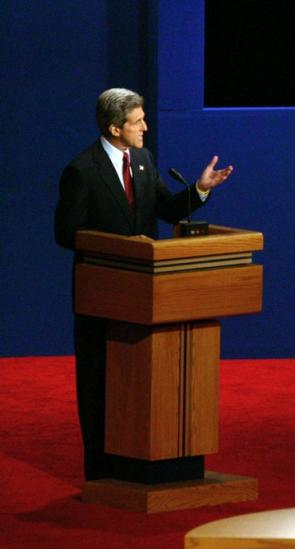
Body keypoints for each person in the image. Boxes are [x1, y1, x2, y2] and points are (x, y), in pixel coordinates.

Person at [54, 88, 234, 481]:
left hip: (144, 294)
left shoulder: (144, 161)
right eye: (138, 122)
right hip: (102, 294)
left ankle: (140, 463)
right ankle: (101, 473)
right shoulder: (82, 170)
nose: (146, 128)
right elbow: (67, 233)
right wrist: (122, 248)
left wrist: (201, 189)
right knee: (99, 383)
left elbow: (166, 209)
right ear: (115, 127)